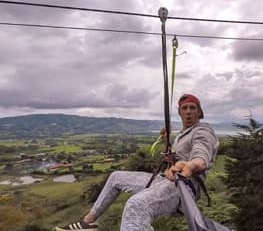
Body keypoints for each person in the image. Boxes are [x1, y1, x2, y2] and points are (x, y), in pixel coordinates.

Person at [55, 94, 219, 231]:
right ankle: (87, 222)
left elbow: (201, 155)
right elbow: (178, 158)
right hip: (166, 181)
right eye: (185, 108)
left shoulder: (203, 130)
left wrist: (191, 165)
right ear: (180, 112)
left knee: (136, 205)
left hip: (184, 188)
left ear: (199, 112)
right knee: (115, 177)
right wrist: (167, 144)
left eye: (193, 108)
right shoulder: (183, 134)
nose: (189, 112)